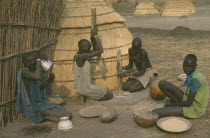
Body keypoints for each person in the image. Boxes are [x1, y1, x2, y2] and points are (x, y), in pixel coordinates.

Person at [16, 53, 72, 123]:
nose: (34, 63)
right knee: (60, 114)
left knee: (65, 112)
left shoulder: (31, 72)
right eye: (33, 61)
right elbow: (37, 76)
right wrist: (39, 60)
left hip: (39, 103)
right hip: (31, 105)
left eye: (34, 61)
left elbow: (37, 90)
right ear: (27, 62)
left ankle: (48, 116)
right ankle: (47, 116)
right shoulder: (23, 72)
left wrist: (48, 82)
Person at [153, 54, 209, 119]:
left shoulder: (195, 79)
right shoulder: (192, 74)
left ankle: (176, 105)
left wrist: (171, 106)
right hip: (188, 99)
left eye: (190, 67)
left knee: (156, 112)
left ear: (195, 66)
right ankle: (176, 104)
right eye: (185, 66)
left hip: (194, 109)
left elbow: (188, 103)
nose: (187, 69)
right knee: (162, 83)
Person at [73, 27, 113, 103]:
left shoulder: (78, 55)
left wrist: (92, 37)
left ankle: (89, 96)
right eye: (88, 49)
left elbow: (95, 50)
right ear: (84, 49)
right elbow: (100, 50)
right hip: (86, 88)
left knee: (104, 93)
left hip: (81, 87)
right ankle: (91, 98)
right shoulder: (82, 57)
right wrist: (95, 36)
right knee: (110, 95)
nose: (89, 50)